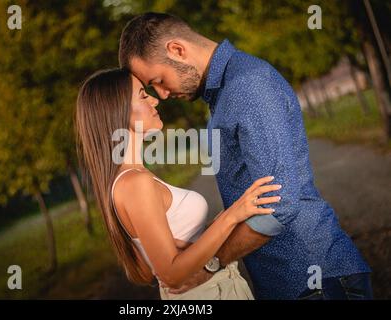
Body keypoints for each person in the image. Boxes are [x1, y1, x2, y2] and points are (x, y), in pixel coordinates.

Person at [117, 12, 373, 300]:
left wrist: (211, 264)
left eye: (159, 80)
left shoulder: (246, 86)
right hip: (290, 282)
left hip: (313, 276)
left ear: (177, 50)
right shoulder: (223, 92)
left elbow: (281, 204)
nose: (161, 95)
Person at [75, 68, 282, 299]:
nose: (155, 99)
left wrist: (202, 237)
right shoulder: (135, 183)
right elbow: (172, 275)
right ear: (118, 111)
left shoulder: (129, 179)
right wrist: (231, 215)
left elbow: (144, 272)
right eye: (143, 95)